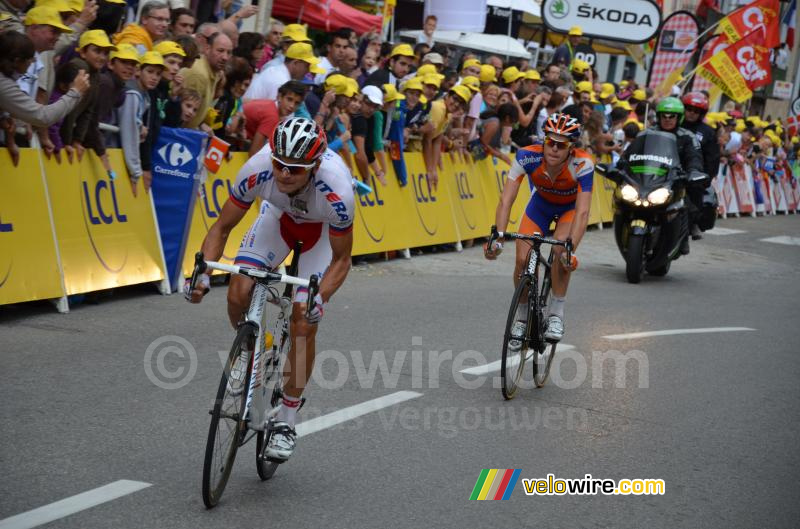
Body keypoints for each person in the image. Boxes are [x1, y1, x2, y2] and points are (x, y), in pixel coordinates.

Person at [185, 118, 355, 462]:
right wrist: (200, 273)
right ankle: (250, 352)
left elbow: (341, 260)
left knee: (303, 321)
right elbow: (221, 227)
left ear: (316, 165)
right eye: (279, 164)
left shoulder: (337, 191)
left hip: (319, 236)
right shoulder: (258, 169)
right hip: (277, 220)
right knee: (238, 291)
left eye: (295, 168)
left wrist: (321, 298)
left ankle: (287, 421)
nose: (284, 174)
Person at [485, 113, 593, 344]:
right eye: (550, 142)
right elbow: (506, 200)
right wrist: (497, 237)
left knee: (559, 252)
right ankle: (522, 318)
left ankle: (556, 313)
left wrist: (570, 249)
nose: (554, 149)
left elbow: (583, 212)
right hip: (540, 207)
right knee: (522, 261)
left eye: (561, 145)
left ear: (571, 148)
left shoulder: (582, 164)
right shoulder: (527, 156)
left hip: (569, 210)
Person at [637, 97, 704, 254]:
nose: (667, 120)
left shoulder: (688, 136)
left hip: (674, 179)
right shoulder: (648, 132)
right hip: (649, 176)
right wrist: (621, 164)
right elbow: (632, 153)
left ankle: (684, 235)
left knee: (685, 199)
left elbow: (694, 157)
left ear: (679, 117)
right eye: (664, 116)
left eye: (671, 116)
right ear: (659, 116)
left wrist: (693, 170)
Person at [0, 30, 88, 129]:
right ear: (17, 61)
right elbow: (43, 117)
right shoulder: (3, 84)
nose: (34, 61)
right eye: (30, 58)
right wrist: (75, 92)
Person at [118, 50, 163, 196]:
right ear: (138, 71)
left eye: (158, 74)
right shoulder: (133, 94)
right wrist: (136, 172)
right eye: (150, 71)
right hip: (118, 154)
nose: (154, 77)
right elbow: (129, 134)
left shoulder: (146, 96)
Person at [681, 91, 719, 240]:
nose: (691, 113)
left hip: (693, 174)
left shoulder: (708, 132)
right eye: (689, 109)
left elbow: (713, 158)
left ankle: (692, 224)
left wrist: (706, 178)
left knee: (693, 200)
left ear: (701, 113)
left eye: (696, 111)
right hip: (669, 168)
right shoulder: (673, 124)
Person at [180, 32, 232, 129]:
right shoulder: (199, 74)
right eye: (220, 51)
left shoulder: (215, 72)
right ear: (207, 49)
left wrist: (201, 124)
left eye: (229, 52)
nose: (225, 57)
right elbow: (184, 116)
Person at [243, 79, 305, 156]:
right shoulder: (272, 117)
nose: (292, 105)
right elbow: (253, 153)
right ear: (279, 96)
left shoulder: (272, 105)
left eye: (297, 103)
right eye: (289, 99)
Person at [244, 42, 322, 101]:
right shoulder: (280, 81)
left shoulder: (277, 71)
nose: (308, 71)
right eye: (307, 66)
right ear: (295, 63)